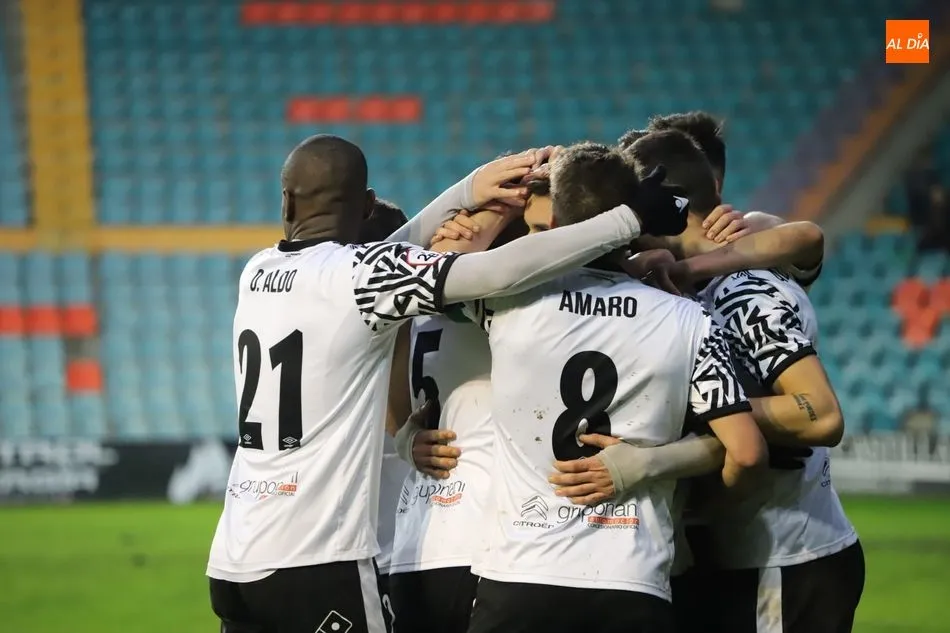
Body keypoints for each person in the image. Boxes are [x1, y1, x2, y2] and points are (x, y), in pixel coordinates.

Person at [205, 134, 693, 633]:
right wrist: (628, 219)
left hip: (234, 557)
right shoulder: (366, 278)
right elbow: (495, 271)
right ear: (367, 205)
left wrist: (468, 191)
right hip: (315, 560)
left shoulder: (259, 270)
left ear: (286, 202)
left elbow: (371, 266)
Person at [434, 142, 767, 633]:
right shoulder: (687, 318)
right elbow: (748, 452)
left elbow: (443, 265)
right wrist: (680, 487)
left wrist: (500, 204)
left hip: (519, 577)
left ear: (556, 222)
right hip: (630, 580)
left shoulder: (507, 302)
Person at [555, 128, 864, 633]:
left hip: (782, 560)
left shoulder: (744, 293)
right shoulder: (698, 278)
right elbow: (805, 238)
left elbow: (821, 413)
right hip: (739, 554)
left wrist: (700, 409)